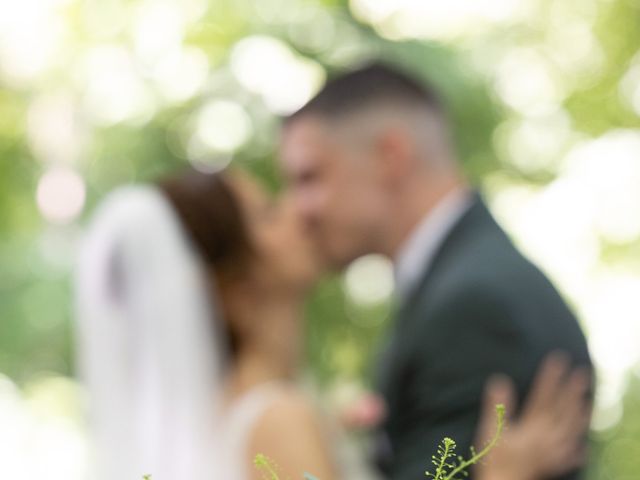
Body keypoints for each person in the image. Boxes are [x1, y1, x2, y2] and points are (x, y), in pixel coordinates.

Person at [279, 63, 593, 480]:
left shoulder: (476, 306)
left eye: (310, 177)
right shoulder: (458, 284)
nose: (298, 209)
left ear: (389, 156)